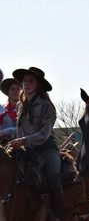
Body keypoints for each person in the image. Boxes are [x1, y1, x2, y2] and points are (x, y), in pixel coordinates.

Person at [9, 67, 62, 221]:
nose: (26, 84)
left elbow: (44, 134)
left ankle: (57, 216)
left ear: (38, 85)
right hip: (27, 149)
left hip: (47, 148)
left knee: (53, 175)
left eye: (30, 81)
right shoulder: (20, 106)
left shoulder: (46, 105)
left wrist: (24, 140)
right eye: (25, 80)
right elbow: (20, 131)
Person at [0, 78, 21, 145]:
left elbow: (26, 129)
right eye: (12, 89)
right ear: (8, 92)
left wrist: (4, 132)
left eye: (18, 89)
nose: (15, 91)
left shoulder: (26, 109)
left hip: (18, 144)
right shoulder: (1, 107)